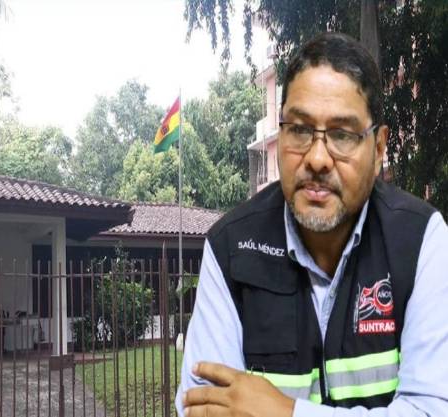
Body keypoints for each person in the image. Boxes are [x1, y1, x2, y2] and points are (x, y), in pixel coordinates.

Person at [177, 32, 448, 417]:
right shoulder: (231, 249)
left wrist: (285, 413)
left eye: (342, 134)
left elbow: (433, 409)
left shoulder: (421, 241)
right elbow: (203, 409)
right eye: (300, 130)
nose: (317, 158)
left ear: (379, 148)